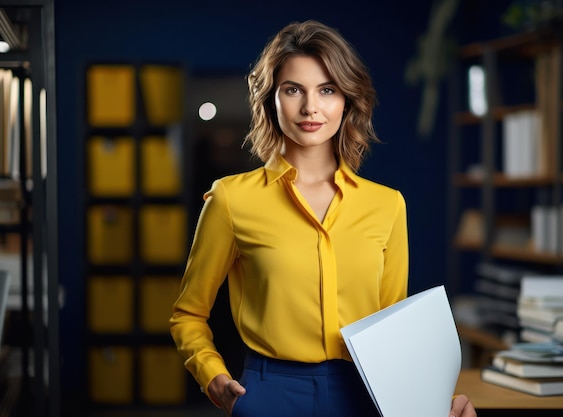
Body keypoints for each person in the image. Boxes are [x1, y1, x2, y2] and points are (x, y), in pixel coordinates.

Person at [169, 19, 476, 417]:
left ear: (347, 100)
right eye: (292, 89)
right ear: (271, 100)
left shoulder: (386, 206)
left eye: (327, 90)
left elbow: (393, 332)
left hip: (367, 393)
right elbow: (187, 314)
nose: (310, 107)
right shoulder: (231, 199)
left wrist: (433, 404)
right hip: (268, 393)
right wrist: (213, 376)